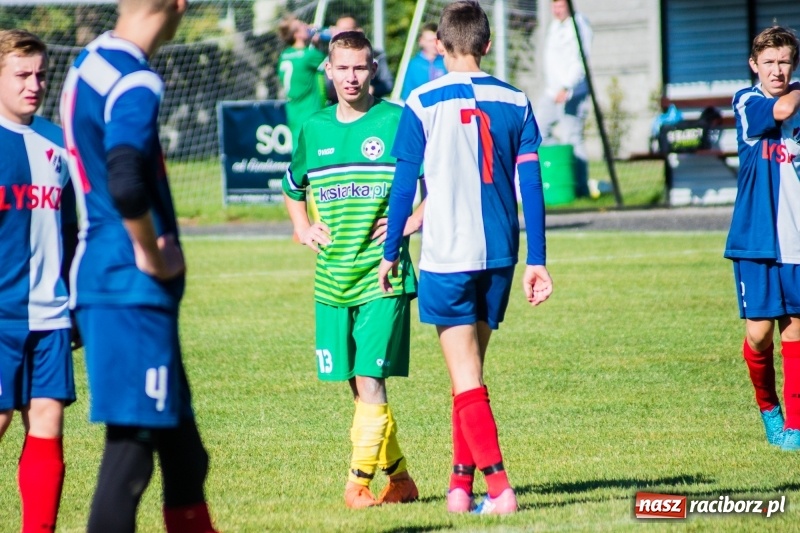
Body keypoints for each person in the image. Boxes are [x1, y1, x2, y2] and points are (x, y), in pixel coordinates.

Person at [378, 0, 553, 516]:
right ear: (487, 43)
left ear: (438, 43)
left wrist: (392, 250)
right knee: (468, 374)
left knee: (466, 376)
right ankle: (459, 488)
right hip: (498, 254)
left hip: (447, 256)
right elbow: (533, 186)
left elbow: (404, 181)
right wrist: (536, 260)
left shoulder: (421, 99)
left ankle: (499, 491)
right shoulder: (516, 99)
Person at [59, 0, 219, 531]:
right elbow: (126, 180)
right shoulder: (135, 79)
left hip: (108, 282)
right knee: (129, 458)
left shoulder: (87, 63)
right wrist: (152, 253)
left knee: (185, 456)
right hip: (128, 288)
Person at [283, 30, 423, 509]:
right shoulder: (314, 129)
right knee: (356, 386)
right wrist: (303, 229)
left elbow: (438, 187)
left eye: (359, 67)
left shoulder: (398, 121)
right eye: (342, 68)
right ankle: (400, 479)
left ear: (374, 68)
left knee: (370, 381)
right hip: (332, 281)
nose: (351, 76)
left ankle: (357, 483)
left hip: (384, 278)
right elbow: (292, 187)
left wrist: (409, 223)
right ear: (328, 71)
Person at [0, 28, 78, 533]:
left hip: (51, 313)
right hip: (0, 316)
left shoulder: (58, 142)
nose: (35, 84)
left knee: (47, 424)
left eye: (42, 74)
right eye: (22, 75)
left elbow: (74, 230)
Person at [725, 26, 800, 452]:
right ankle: (768, 408)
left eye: (784, 61)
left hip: (797, 239)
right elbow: (783, 109)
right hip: (756, 239)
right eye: (769, 62)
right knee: (759, 336)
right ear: (755, 65)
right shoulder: (747, 101)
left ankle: (794, 427)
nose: (777, 69)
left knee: (794, 334)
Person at [536, 0, 593, 198]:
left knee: (572, 137)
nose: (557, 10)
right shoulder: (553, 26)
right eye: (555, 7)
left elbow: (580, 60)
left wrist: (567, 86)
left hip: (572, 92)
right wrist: (555, 88)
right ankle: (560, 174)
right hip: (552, 92)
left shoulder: (579, 24)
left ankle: (580, 189)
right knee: (537, 131)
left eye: (561, 6)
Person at [277, 14, 328, 147]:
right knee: (315, 151)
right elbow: (335, 65)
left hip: (294, 109)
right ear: (297, 35)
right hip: (310, 109)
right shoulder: (308, 55)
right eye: (303, 26)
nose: (308, 26)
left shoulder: (285, 55)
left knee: (299, 149)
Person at [324, 15, 394, 103]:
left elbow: (388, 83)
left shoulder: (376, 55)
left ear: (359, 31)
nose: (351, 78)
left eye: (360, 68)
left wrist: (373, 89)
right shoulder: (328, 56)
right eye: (342, 68)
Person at [400, 22, 446, 101]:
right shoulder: (414, 64)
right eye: (430, 41)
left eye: (436, 41)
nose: (434, 44)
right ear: (421, 41)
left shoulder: (445, 62)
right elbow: (407, 93)